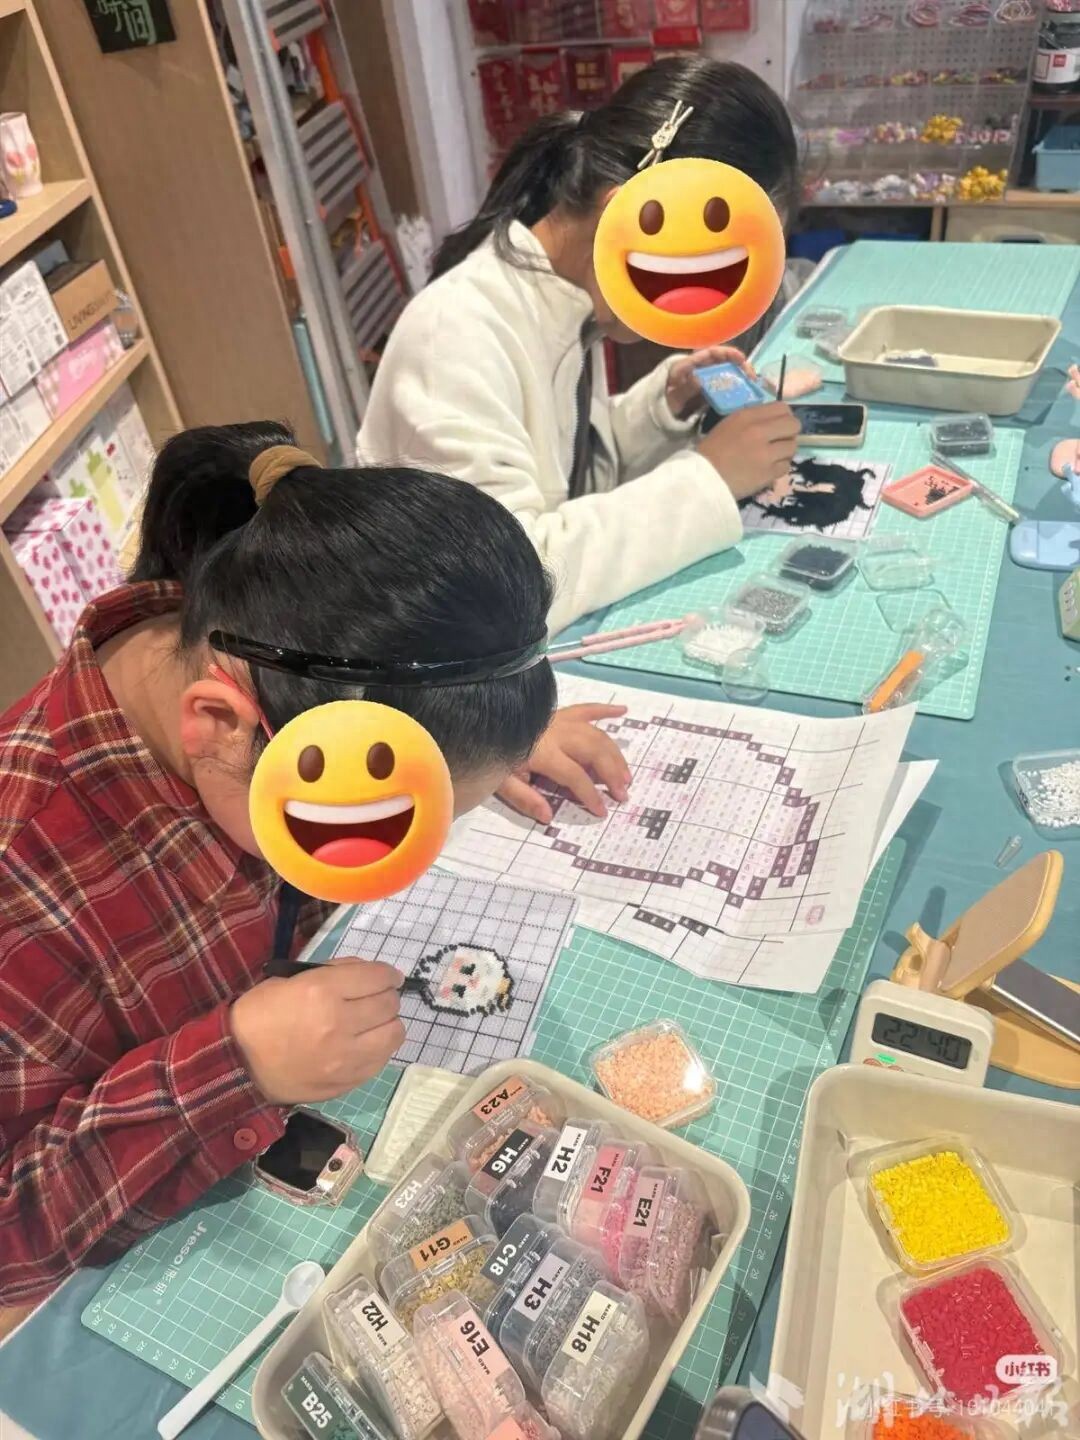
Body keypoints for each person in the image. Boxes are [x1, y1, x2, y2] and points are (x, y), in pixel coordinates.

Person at [0, 422, 629, 1307]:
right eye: (377, 828)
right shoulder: (25, 876)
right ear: (220, 727)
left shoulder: (254, 637)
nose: (410, 868)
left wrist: (487, 736)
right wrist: (234, 1065)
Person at [358, 55, 802, 634]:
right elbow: (508, 583)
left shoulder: (567, 299)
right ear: (624, 213)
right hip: (444, 652)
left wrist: (663, 406)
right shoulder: (456, 336)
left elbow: (563, 471)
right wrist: (709, 480)